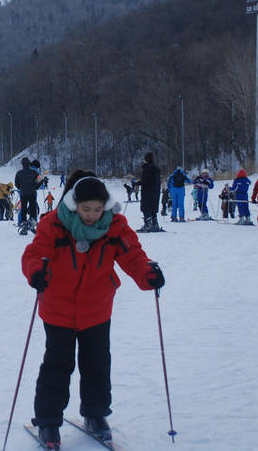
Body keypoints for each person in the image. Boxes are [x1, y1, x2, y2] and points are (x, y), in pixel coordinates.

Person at [21, 170, 165, 448]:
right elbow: (35, 253)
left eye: (97, 209)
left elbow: (133, 256)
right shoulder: (53, 224)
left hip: (97, 309)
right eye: (86, 209)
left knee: (97, 364)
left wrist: (148, 274)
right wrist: (36, 271)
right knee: (58, 366)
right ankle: (49, 422)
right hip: (58, 309)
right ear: (75, 204)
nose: (91, 215)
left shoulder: (116, 227)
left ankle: (96, 415)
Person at [133, 152, 162, 232]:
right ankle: (155, 224)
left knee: (146, 208)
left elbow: (146, 180)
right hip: (156, 191)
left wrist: (136, 183)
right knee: (153, 208)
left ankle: (148, 224)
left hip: (147, 191)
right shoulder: (156, 168)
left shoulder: (147, 168)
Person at [16, 157, 40, 226]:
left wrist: (21, 188)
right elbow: (38, 181)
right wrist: (35, 187)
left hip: (23, 193)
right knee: (33, 207)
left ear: (22, 164)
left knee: (23, 207)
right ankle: (32, 220)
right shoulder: (34, 172)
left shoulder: (19, 173)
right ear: (29, 164)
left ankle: (23, 222)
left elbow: (16, 184)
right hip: (32, 193)